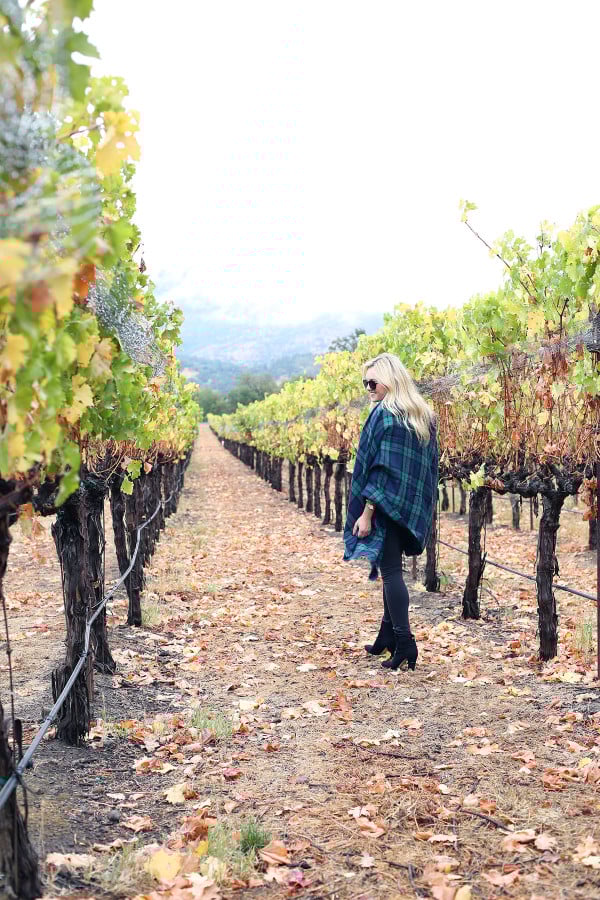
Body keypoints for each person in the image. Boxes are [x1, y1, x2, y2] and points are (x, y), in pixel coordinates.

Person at [343, 353, 438, 671]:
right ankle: (387, 636)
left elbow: (382, 470)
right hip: (407, 503)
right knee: (390, 571)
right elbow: (425, 469)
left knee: (392, 573)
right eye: (365, 383)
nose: (369, 388)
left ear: (391, 380)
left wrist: (367, 512)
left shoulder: (385, 415)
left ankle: (405, 642)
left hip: (382, 505)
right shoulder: (422, 415)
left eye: (374, 382)